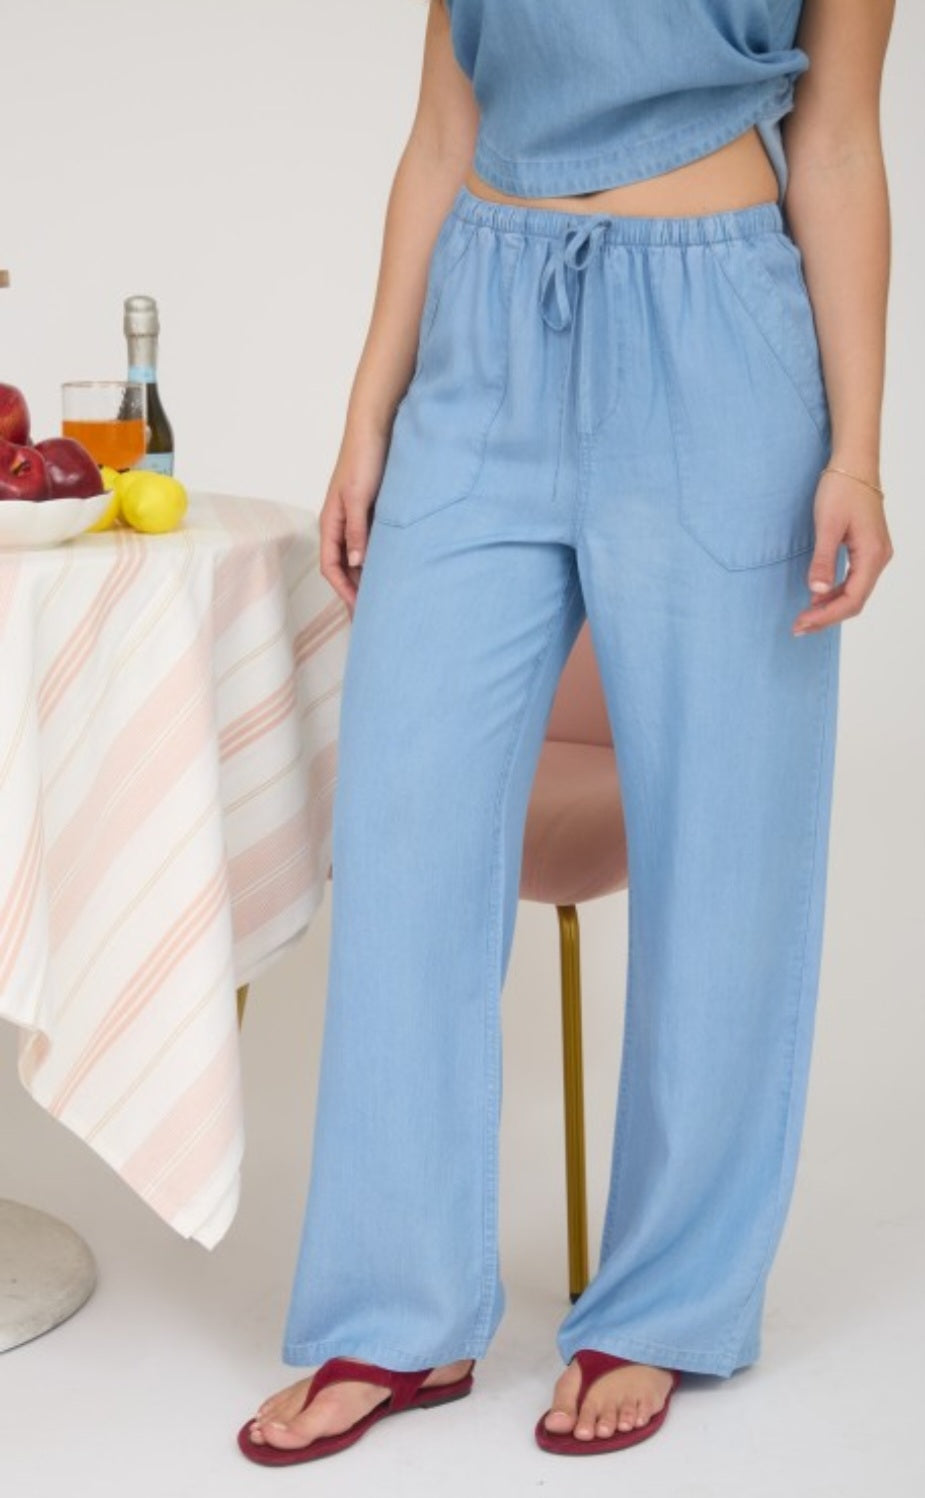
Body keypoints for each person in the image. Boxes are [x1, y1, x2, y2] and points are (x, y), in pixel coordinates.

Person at [239, 0, 895, 1464]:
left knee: (723, 842)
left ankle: (666, 1299)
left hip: (718, 335)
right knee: (404, 824)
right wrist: (367, 411)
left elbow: (840, 146)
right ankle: (396, 1309)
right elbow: (440, 131)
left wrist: (855, 449)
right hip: (483, 323)